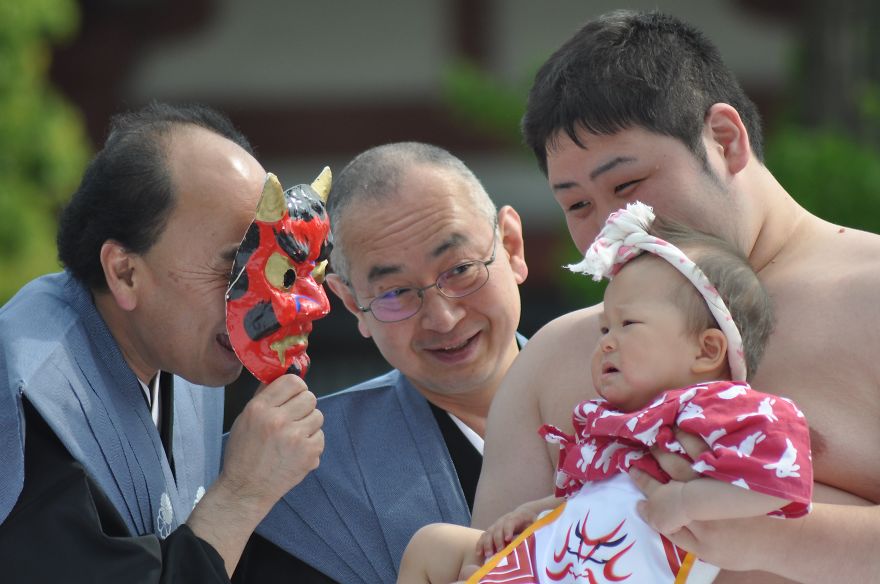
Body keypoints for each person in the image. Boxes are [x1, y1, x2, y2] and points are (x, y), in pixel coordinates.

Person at [473, 9, 880, 583]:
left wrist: (776, 539)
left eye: (627, 184)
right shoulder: (553, 359)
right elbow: (492, 566)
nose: (612, 225)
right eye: (577, 205)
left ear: (723, 139)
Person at [399, 204, 812, 584]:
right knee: (430, 545)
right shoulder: (613, 425)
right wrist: (534, 512)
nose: (606, 343)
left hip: (622, 567)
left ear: (707, 350)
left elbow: (782, 482)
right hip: (561, 557)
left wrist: (687, 501)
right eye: (604, 329)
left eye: (628, 324)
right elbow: (595, 501)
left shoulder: (732, 410)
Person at [0, 102, 325, 583]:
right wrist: (240, 494)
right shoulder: (28, 392)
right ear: (126, 272)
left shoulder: (187, 358)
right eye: (235, 264)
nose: (266, 301)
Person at [231, 142, 529, 584]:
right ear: (352, 304)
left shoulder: (637, 395)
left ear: (511, 246)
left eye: (461, 268)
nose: (443, 318)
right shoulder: (304, 475)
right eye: (394, 293)